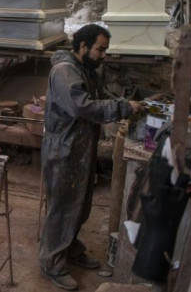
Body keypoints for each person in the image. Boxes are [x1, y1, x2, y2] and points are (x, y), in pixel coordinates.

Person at [39, 24, 142, 290]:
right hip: (64, 149)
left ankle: (70, 247)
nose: (104, 55)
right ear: (83, 47)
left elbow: (97, 97)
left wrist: (122, 102)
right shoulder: (64, 71)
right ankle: (51, 262)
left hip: (80, 148)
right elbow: (80, 105)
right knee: (61, 208)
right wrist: (121, 107)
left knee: (80, 204)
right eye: (101, 49)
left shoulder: (85, 69)